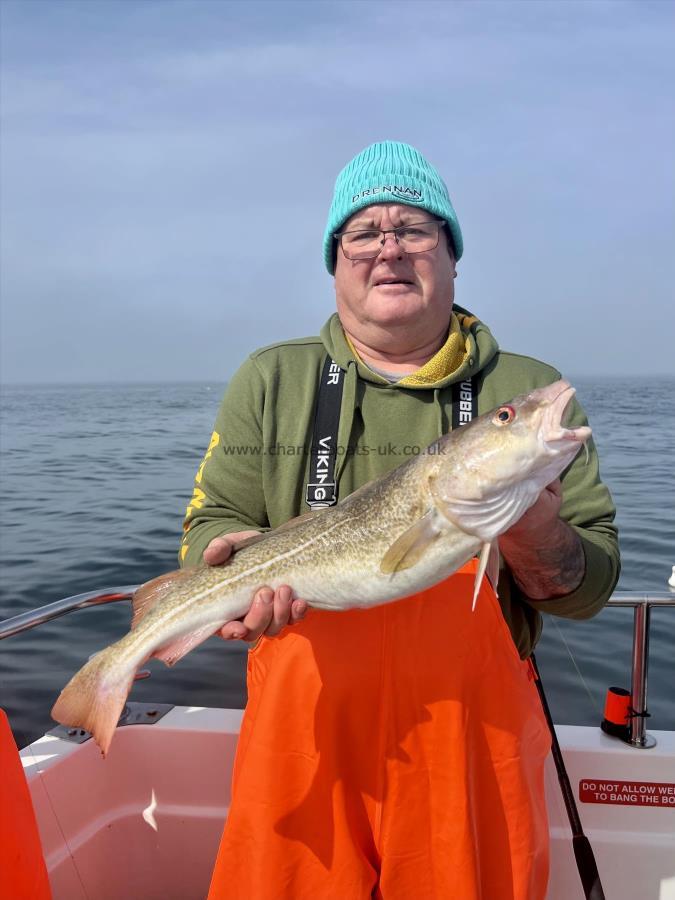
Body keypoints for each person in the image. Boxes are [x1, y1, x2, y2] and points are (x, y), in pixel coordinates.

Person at [180, 141, 620, 900]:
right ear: (336, 259)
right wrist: (221, 562)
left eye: (415, 229)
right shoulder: (269, 377)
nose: (389, 249)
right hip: (304, 726)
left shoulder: (526, 390)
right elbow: (213, 519)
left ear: (452, 255)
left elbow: (586, 589)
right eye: (364, 232)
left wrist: (529, 528)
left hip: (468, 738)